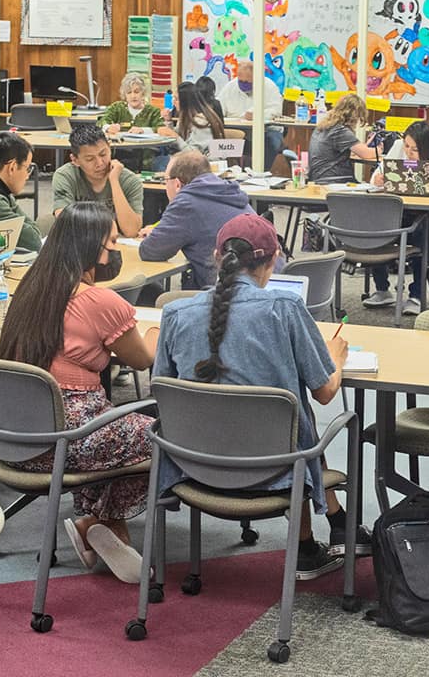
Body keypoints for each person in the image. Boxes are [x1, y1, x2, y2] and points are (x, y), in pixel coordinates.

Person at [153, 214, 370, 579]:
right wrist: (336, 358)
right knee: (292, 415)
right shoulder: (284, 309)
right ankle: (330, 531)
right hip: (273, 471)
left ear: (217, 257)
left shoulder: (174, 314)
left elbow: (164, 391)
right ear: (273, 261)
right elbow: (325, 392)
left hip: (193, 467)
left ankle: (323, 534)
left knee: (279, 411)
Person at [0, 202, 159, 584]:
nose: (115, 253)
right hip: (64, 440)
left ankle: (104, 528)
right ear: (90, 249)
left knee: (117, 429)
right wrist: (155, 333)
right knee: (157, 434)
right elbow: (141, 359)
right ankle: (97, 521)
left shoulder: (30, 290)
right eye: (112, 244)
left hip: (11, 436)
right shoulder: (99, 301)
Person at [363, 120, 429, 316]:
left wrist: (415, 181)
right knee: (374, 226)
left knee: (421, 232)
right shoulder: (399, 146)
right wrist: (379, 179)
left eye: (414, 149)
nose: (408, 152)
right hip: (401, 212)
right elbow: (376, 176)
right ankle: (382, 289)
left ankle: (417, 295)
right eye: (407, 146)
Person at [138, 150, 255, 289]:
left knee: (158, 297)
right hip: (267, 282)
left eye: (166, 180)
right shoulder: (229, 191)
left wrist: (157, 235)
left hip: (226, 294)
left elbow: (150, 251)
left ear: (176, 184)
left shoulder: (186, 203)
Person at [52, 125, 144, 238]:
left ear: (110, 148)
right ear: (75, 160)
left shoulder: (130, 180)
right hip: (81, 243)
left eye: (103, 154)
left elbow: (131, 231)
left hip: (116, 246)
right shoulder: (66, 176)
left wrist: (114, 181)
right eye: (90, 159)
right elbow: (65, 222)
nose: (100, 163)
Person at [217, 60, 287, 168]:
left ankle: (261, 173)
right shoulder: (230, 87)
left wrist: (259, 114)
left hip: (266, 132)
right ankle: (229, 172)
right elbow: (219, 108)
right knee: (218, 141)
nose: (243, 84)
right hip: (238, 132)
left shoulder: (269, 87)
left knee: (272, 142)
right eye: (241, 81)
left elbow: (276, 111)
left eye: (247, 82)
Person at [307, 93, 377, 184]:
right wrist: (379, 149)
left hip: (318, 177)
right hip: (334, 179)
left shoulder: (323, 127)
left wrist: (363, 147)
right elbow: (366, 154)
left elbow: (334, 151)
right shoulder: (340, 130)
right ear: (354, 115)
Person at [155, 81, 224, 164]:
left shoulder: (201, 122)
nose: (173, 102)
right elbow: (176, 141)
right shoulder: (184, 118)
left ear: (186, 102)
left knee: (159, 163)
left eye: (176, 99)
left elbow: (194, 154)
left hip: (203, 164)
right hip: (187, 160)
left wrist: (175, 136)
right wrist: (168, 122)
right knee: (158, 159)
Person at [99, 72, 164, 136]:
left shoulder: (153, 112)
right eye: (129, 92)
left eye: (136, 92)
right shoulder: (117, 108)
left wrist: (143, 130)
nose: (133, 96)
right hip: (120, 145)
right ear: (124, 94)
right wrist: (108, 127)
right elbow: (102, 121)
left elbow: (161, 128)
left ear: (143, 93)